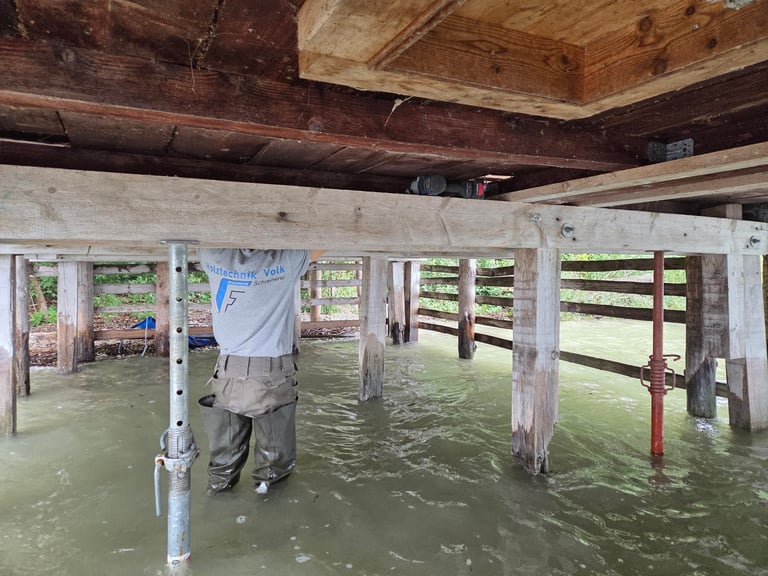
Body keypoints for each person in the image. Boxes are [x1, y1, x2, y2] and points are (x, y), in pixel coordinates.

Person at [197, 247, 323, 495]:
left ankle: (218, 503)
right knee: (273, 472)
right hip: (272, 374)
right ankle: (269, 509)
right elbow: (324, 238)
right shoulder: (287, 261)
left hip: (227, 373)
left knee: (223, 465)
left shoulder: (212, 256)